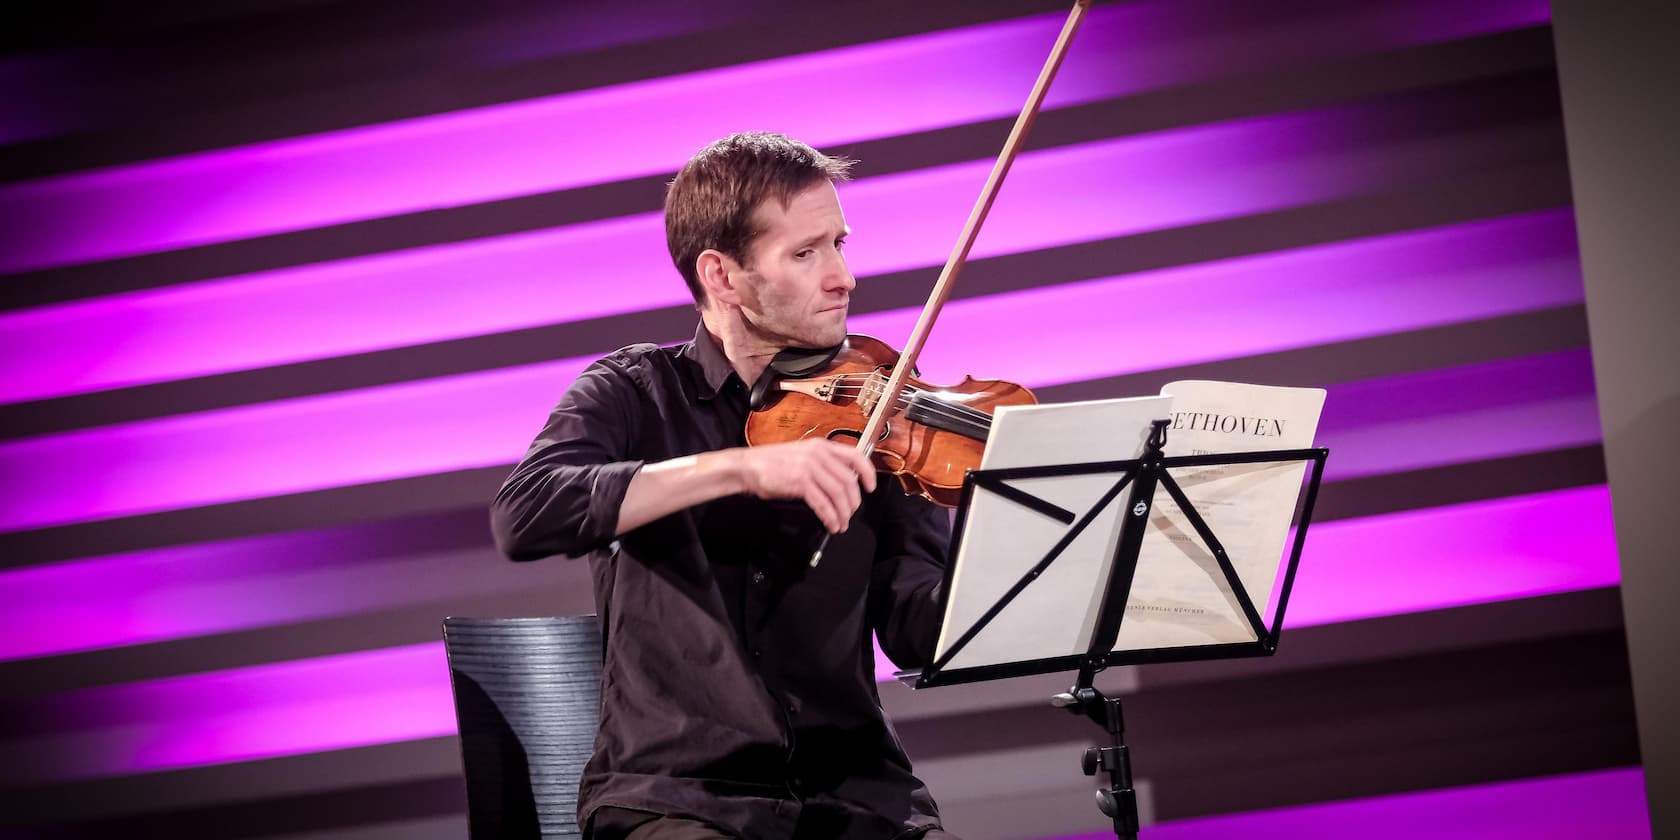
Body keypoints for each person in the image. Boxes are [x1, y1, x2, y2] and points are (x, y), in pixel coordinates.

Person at [490, 132, 958, 840]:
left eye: (839, 243)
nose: (843, 277)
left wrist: (1004, 538)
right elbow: (525, 513)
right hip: (679, 802)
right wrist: (741, 468)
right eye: (805, 253)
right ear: (723, 276)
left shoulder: (879, 409)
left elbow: (916, 632)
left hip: (855, 798)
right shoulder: (634, 392)